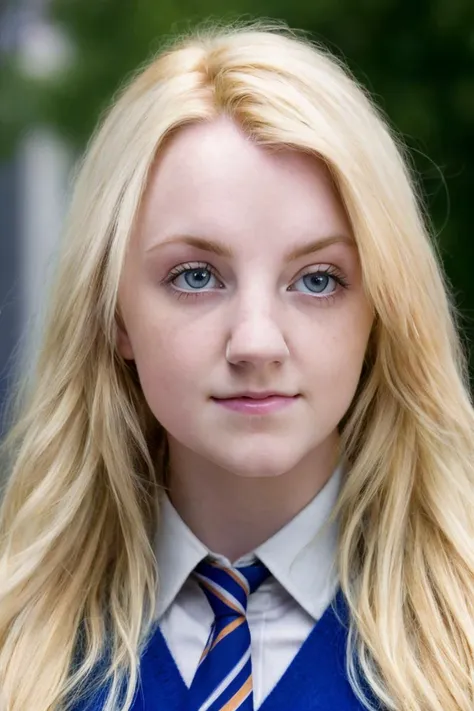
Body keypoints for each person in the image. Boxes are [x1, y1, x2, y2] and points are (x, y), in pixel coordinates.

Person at [0, 19, 473, 711]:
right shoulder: (19, 650)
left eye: (317, 279)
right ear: (113, 312)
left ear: (384, 309)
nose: (256, 342)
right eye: (196, 276)